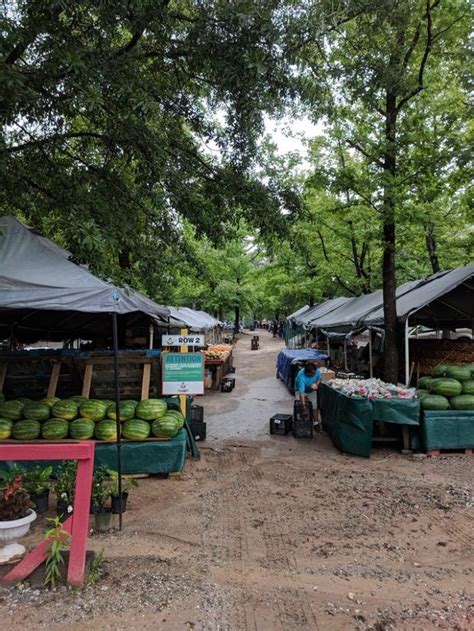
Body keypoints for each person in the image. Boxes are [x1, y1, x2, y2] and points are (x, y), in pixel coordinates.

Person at [294, 362, 321, 428]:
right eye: (313, 374)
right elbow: (301, 393)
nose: (315, 374)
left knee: (314, 405)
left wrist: (316, 385)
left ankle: (316, 422)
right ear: (307, 373)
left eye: (315, 373)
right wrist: (303, 406)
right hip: (300, 390)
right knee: (300, 406)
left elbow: (319, 379)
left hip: (311, 390)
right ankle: (301, 421)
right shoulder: (301, 377)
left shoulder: (316, 371)